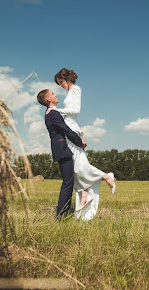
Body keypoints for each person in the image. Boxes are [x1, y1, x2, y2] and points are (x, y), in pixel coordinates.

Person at [48, 68, 115, 221]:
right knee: (76, 166)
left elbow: (75, 110)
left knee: (78, 166)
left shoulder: (76, 89)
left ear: (65, 79)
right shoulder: (70, 92)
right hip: (70, 129)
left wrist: (58, 112)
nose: (60, 86)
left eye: (60, 82)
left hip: (73, 130)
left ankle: (105, 176)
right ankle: (83, 191)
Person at [37, 88, 87, 220]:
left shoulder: (49, 113)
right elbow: (66, 130)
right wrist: (79, 142)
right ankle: (61, 215)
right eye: (52, 94)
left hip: (59, 148)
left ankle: (63, 213)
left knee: (67, 181)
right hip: (62, 149)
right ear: (49, 100)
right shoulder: (53, 113)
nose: (55, 95)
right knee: (68, 182)